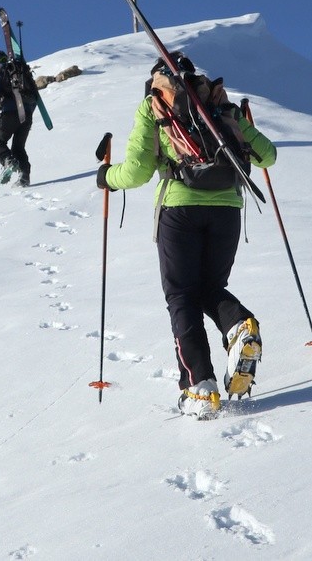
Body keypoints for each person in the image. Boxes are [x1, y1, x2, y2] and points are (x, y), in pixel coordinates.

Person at [95, 51, 277, 418]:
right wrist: (242, 125)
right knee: (210, 288)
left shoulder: (154, 105)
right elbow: (267, 156)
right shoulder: (218, 103)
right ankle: (239, 325)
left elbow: (137, 172)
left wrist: (106, 177)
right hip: (227, 209)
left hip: (179, 210)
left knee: (181, 295)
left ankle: (200, 385)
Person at [0, 49, 38, 187]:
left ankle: (9, 162)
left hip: (10, 113)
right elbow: (34, 96)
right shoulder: (22, 74)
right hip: (27, 115)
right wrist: (28, 113)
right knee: (18, 148)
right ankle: (24, 177)